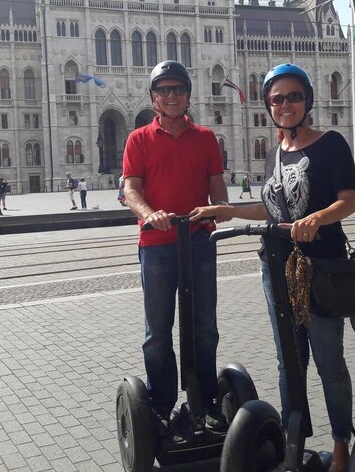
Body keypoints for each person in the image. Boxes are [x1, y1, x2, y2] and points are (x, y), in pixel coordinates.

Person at [190, 63, 355, 472]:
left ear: (307, 100)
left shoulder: (331, 144)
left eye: (293, 96)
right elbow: (272, 207)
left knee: (328, 359)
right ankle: (294, 440)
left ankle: (340, 444)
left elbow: (348, 199)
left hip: (320, 267)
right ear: (269, 105)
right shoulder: (274, 153)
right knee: (289, 360)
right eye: (277, 99)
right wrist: (228, 210)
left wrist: (317, 218)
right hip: (276, 268)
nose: (285, 105)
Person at [121, 60, 230, 435]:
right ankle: (162, 403)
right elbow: (130, 190)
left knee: (205, 327)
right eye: (164, 90)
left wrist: (216, 209)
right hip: (157, 246)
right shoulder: (138, 139)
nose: (171, 96)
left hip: (198, 242)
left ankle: (206, 400)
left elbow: (219, 193)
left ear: (188, 95)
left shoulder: (205, 139)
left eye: (178, 89)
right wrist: (150, 214)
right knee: (158, 331)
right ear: (154, 97)